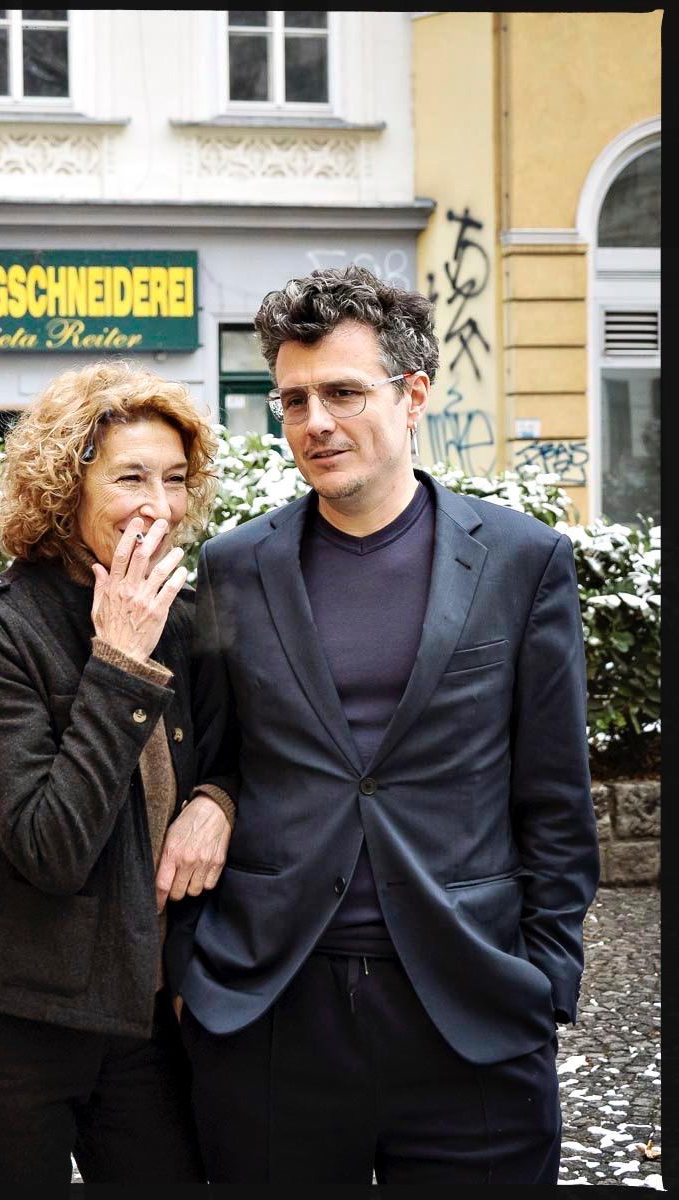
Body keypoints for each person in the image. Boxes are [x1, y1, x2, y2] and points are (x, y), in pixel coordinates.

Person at [167, 266, 601, 1185]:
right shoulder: (236, 566)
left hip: (470, 1013)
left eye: (343, 392)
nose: (315, 422)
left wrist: (545, 980)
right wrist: (193, 973)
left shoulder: (522, 561)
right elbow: (217, 758)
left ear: (414, 396)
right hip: (274, 1013)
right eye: (293, 400)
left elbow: (557, 797)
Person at [0, 360, 234, 1184]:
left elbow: (243, 749)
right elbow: (50, 847)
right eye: (130, 477)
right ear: (64, 489)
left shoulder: (181, 615)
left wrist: (218, 799)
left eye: (174, 479)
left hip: (145, 1017)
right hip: (10, 1024)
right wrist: (120, 660)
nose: (159, 505)